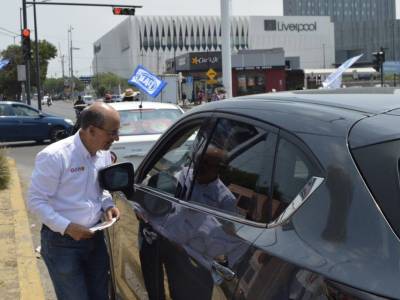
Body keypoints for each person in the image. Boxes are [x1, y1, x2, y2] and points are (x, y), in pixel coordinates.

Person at [27, 102, 121, 300]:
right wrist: (68, 227)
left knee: (100, 295)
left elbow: (100, 189)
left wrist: (108, 205)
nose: (117, 138)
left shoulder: (103, 154)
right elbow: (36, 201)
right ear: (91, 130)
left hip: (95, 238)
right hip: (62, 244)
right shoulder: (55, 156)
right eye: (112, 133)